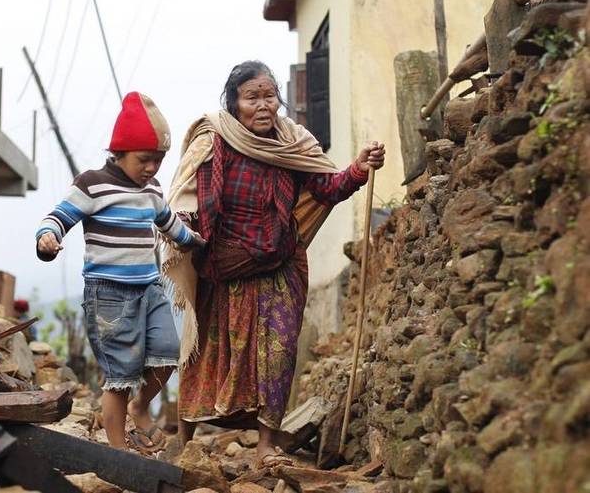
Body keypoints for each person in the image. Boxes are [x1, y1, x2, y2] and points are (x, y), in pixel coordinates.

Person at [163, 61, 385, 467]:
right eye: (252, 97)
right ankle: (185, 439)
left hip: (280, 265)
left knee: (279, 355)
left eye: (270, 96)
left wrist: (357, 169)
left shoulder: (294, 143)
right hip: (223, 268)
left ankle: (266, 446)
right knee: (206, 354)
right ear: (234, 104)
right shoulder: (215, 140)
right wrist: (185, 226)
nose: (263, 105)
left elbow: (327, 186)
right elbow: (188, 194)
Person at [36, 92, 206, 452]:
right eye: (145, 160)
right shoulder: (92, 184)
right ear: (120, 152)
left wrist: (193, 240)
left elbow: (169, 223)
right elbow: (57, 218)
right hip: (109, 295)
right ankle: (117, 451)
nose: (151, 169)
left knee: (167, 352)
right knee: (120, 377)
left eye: (158, 161)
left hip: (149, 288)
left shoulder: (153, 190)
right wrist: (47, 238)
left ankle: (140, 407)